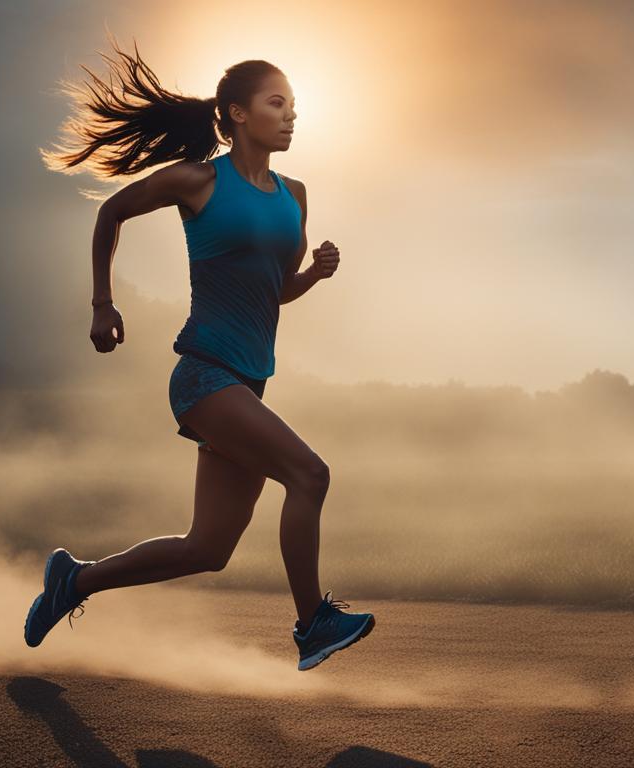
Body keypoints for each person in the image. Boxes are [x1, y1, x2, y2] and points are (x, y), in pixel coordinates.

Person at [25, 35, 373, 671]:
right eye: (278, 103)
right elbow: (111, 213)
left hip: (247, 382)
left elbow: (274, 294)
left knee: (206, 549)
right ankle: (312, 622)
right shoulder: (199, 181)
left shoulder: (294, 195)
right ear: (239, 114)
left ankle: (73, 582)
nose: (291, 115)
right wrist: (102, 304)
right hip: (205, 376)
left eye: (295, 105)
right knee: (310, 475)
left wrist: (314, 276)